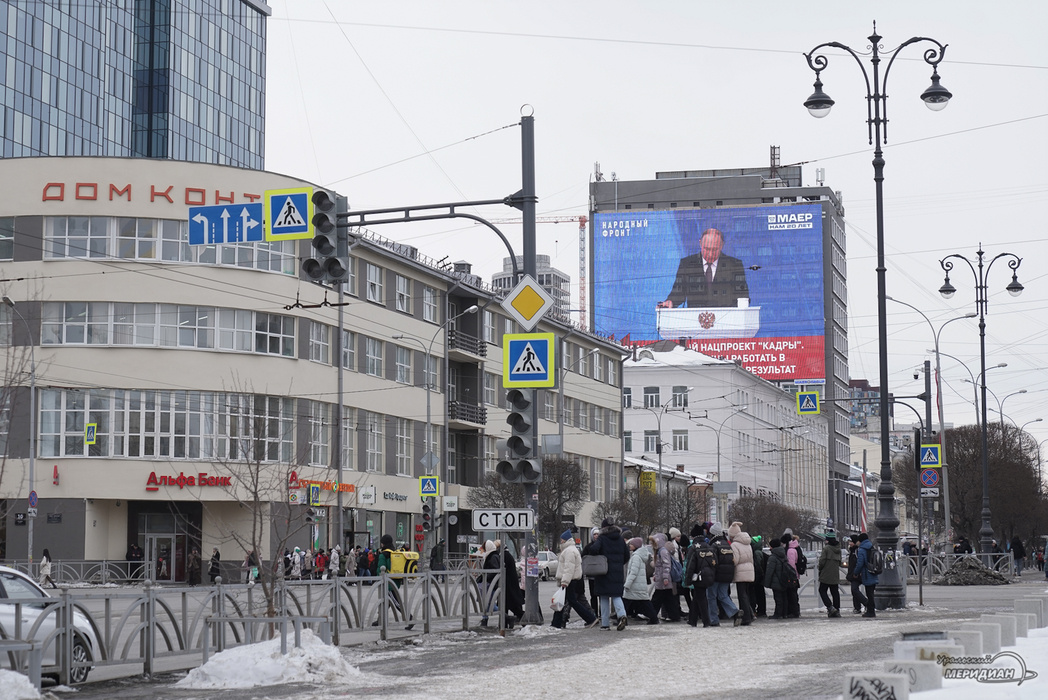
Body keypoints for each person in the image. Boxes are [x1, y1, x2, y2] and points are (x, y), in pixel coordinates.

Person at [660, 227, 749, 309]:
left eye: (714, 250)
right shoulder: (687, 264)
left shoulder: (734, 265)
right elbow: (678, 293)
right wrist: (670, 302)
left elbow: (743, 296)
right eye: (707, 249)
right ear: (700, 244)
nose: (710, 254)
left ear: (722, 245)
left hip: (725, 321)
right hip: (695, 321)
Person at [552, 530, 598, 629]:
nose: (561, 541)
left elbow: (569, 568)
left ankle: (590, 618)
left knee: (570, 601)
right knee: (563, 602)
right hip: (571, 580)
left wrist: (564, 582)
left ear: (566, 540)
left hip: (570, 580)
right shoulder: (570, 550)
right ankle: (556, 623)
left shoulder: (569, 551)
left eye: (562, 539)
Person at [592, 518, 630, 631]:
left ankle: (605, 624)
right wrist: (618, 564)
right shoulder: (620, 539)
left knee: (603, 597)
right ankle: (622, 615)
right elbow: (627, 555)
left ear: (603, 528)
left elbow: (594, 549)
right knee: (616, 595)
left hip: (603, 572)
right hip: (617, 572)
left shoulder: (602, 538)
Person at [707, 522, 741, 626]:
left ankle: (713, 619)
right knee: (723, 595)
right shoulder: (727, 544)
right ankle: (735, 612)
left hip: (717, 575)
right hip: (728, 574)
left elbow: (713, 561)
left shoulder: (713, 545)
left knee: (711, 596)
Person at [683, 524, 713, 627]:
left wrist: (687, 580)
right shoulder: (709, 547)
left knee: (701, 598)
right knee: (697, 597)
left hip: (698, 576)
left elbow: (690, 565)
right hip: (708, 576)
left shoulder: (693, 548)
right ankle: (692, 620)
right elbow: (714, 562)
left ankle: (706, 621)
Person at [623, 537, 658, 624]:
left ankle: (622, 619)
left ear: (635, 546)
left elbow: (633, 572)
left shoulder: (636, 557)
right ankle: (654, 618)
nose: (630, 546)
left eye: (631, 544)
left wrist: (627, 584)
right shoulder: (640, 556)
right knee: (644, 603)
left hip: (634, 585)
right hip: (639, 585)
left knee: (626, 602)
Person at [649, 533, 681, 622]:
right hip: (662, 579)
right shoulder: (661, 551)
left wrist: (665, 577)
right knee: (668, 599)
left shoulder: (662, 551)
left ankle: (652, 616)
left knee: (657, 599)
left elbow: (666, 565)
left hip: (663, 580)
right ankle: (674, 616)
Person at [727, 521, 754, 626]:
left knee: (742, 595)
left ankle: (746, 617)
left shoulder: (735, 545)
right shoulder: (747, 543)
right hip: (749, 570)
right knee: (746, 594)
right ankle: (750, 614)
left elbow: (735, 560)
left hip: (741, 572)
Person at [817, 531, 842, 618]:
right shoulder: (838, 549)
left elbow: (822, 561)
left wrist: (819, 568)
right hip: (835, 573)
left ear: (828, 540)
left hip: (826, 573)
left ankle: (830, 607)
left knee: (822, 590)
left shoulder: (826, 548)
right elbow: (840, 562)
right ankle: (837, 610)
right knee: (835, 592)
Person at [764, 536, 789, 619]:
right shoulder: (783, 554)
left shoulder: (773, 557)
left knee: (778, 598)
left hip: (776, 581)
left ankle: (778, 614)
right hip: (784, 579)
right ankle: (784, 613)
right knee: (784, 597)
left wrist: (766, 583)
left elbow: (769, 572)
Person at [855, 532, 879, 618]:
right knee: (871, 593)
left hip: (866, 573)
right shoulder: (871, 547)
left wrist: (856, 572)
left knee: (869, 594)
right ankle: (871, 610)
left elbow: (860, 563)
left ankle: (871, 611)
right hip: (873, 572)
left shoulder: (862, 549)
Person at [846, 534, 867, 614]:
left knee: (854, 589)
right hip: (854, 573)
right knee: (854, 590)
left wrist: (857, 572)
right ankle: (857, 607)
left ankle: (866, 603)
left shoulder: (856, 551)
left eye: (851, 541)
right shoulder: (852, 551)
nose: (849, 543)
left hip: (857, 573)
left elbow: (859, 562)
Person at [782, 533, 802, 618]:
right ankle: (794, 611)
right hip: (795, 575)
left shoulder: (790, 551)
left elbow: (791, 565)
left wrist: (789, 576)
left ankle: (794, 611)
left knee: (792, 594)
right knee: (793, 594)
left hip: (792, 576)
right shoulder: (794, 548)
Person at [749, 535, 767, 618]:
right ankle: (761, 610)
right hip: (760, 576)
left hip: (757, 576)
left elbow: (758, 565)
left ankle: (760, 610)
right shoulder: (760, 552)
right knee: (760, 593)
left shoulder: (756, 553)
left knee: (757, 593)